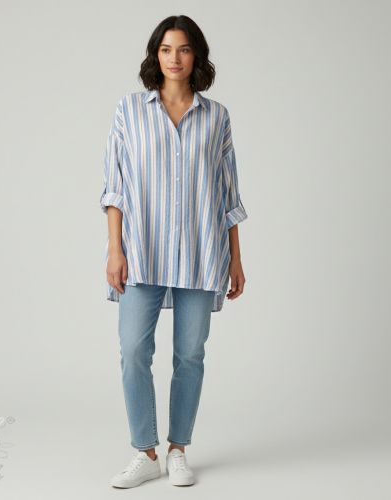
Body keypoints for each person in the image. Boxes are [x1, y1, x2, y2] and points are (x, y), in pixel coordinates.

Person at [100, 14, 248, 488]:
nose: (175, 58)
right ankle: (145, 452)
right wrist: (115, 250)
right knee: (132, 351)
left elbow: (227, 194)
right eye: (166, 49)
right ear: (155, 55)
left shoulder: (217, 117)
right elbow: (115, 188)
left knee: (189, 355)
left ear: (196, 54)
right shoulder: (129, 110)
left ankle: (178, 448)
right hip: (142, 250)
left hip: (202, 252)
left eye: (183, 49)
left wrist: (236, 258)